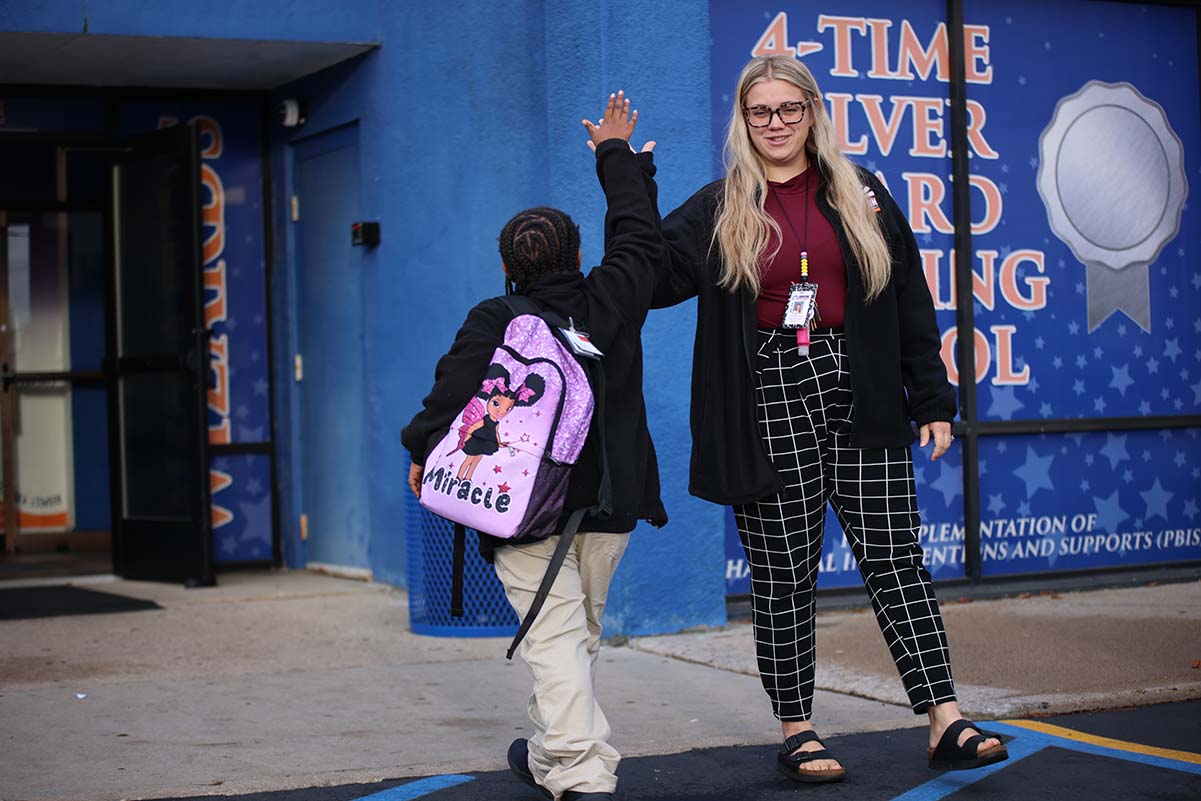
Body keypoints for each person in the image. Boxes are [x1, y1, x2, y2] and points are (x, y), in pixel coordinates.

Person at [639, 55, 1008, 781]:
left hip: (859, 386)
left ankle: (943, 717)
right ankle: (798, 726)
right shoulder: (721, 205)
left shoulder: (860, 192)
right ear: (743, 121)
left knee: (895, 556)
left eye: (787, 109)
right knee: (783, 572)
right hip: (766, 392)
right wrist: (630, 180)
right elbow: (650, 276)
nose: (774, 124)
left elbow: (907, 296)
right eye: (759, 112)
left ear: (811, 112)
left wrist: (930, 398)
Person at [403, 92, 663, 801]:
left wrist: (422, 449)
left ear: (508, 269)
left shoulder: (494, 315)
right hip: (609, 505)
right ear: (579, 253)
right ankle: (556, 757)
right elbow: (640, 239)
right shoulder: (611, 297)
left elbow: (451, 396)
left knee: (554, 641)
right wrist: (620, 158)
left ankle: (577, 774)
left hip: (522, 508)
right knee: (573, 638)